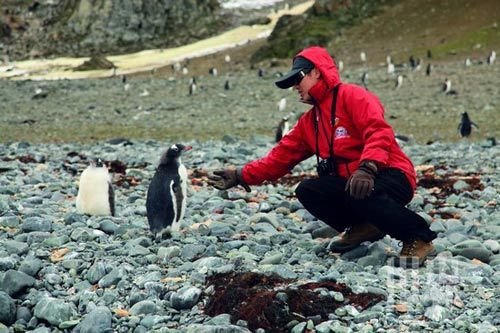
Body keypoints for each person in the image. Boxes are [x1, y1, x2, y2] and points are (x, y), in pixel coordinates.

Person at [207, 46, 436, 268]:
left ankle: (417, 238)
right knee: (308, 190)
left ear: (317, 72)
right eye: (293, 82)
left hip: (390, 173)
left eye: (299, 78)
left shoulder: (353, 96)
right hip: (357, 183)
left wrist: (368, 167)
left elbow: (379, 131)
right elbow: (279, 158)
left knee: (361, 190)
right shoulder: (310, 122)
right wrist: (241, 175)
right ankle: (364, 225)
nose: (295, 86)